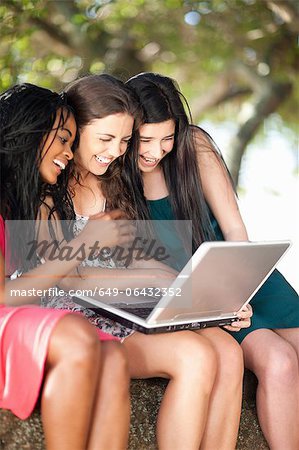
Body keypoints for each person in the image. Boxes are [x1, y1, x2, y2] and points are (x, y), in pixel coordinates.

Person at [40, 73, 251, 450]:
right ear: (75, 130)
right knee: (195, 356)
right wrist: (159, 282)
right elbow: (71, 281)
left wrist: (200, 292)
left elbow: (137, 261)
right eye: (106, 139)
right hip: (84, 315)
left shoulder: (115, 182)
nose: (117, 150)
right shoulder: (51, 189)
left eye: (124, 141)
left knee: (229, 352)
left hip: (122, 307)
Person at [126, 72, 299, 450]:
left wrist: (239, 288)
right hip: (198, 296)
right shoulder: (117, 178)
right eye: (146, 140)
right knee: (280, 362)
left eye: (166, 138)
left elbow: (236, 229)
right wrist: (221, 303)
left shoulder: (194, 146)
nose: (156, 151)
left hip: (243, 275)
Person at [0, 83, 130, 450]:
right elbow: (5, 295)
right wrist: (84, 244)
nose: (68, 154)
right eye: (62, 140)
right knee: (75, 333)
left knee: (113, 356)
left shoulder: (24, 202)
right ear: (28, 132)